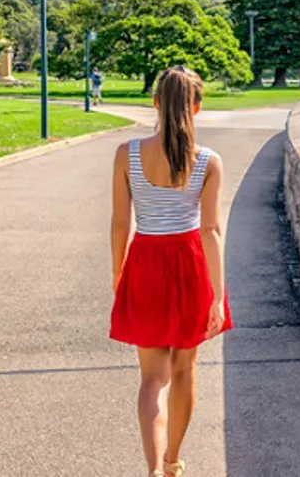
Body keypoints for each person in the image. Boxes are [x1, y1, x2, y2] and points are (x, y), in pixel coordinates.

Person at [109, 66, 232, 477]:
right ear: (196, 108)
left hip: (144, 263)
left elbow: (120, 225)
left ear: (155, 103)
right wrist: (217, 292)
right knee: (184, 370)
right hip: (191, 264)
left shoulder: (127, 154)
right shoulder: (208, 161)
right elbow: (212, 230)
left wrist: (118, 275)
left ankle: (153, 471)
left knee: (152, 379)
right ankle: (173, 460)